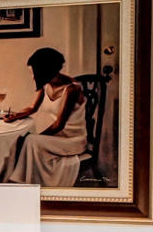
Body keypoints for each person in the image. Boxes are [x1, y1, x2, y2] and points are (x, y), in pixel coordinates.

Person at [5, 46, 90, 186]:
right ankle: (26, 183)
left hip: (73, 140)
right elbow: (32, 108)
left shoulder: (72, 89)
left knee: (31, 140)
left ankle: (25, 184)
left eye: (34, 73)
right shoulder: (46, 84)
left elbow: (59, 124)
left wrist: (40, 137)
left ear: (45, 71)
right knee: (26, 140)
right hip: (58, 137)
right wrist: (15, 116)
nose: (32, 77)